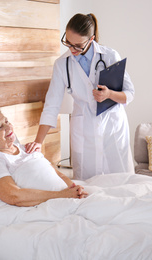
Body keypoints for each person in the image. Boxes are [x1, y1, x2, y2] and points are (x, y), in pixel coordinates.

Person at [25, 13, 135, 180]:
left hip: (112, 128)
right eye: (68, 43)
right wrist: (38, 142)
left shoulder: (110, 56)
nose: (72, 50)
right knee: (86, 184)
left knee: (121, 182)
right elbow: (52, 105)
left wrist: (109, 94)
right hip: (83, 130)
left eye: (77, 45)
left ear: (91, 39)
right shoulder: (62, 65)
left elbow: (129, 94)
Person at [0, 104, 88, 207]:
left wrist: (75, 190)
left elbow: (59, 175)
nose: (8, 128)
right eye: (0, 127)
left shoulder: (27, 148)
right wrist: (62, 195)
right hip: (51, 204)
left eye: (6, 121)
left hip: (69, 198)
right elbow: (13, 196)